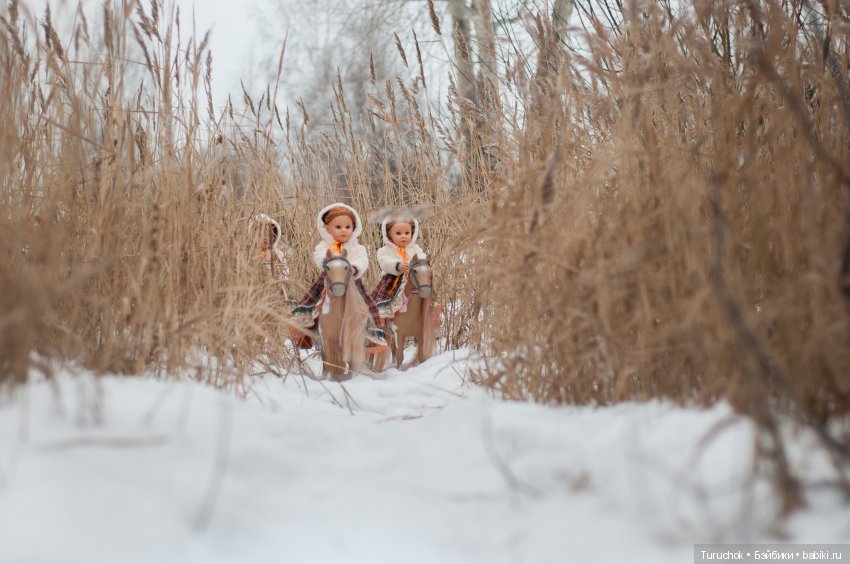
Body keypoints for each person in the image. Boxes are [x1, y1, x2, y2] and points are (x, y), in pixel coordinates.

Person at [289, 203, 387, 351]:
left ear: (354, 228)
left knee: (369, 304)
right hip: (329, 278)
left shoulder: (357, 247)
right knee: (311, 302)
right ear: (327, 229)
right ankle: (307, 331)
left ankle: (371, 334)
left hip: (352, 280)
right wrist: (328, 263)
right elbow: (319, 255)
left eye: (348, 227)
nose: (343, 230)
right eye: (338, 227)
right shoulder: (325, 245)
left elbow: (363, 260)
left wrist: (354, 268)